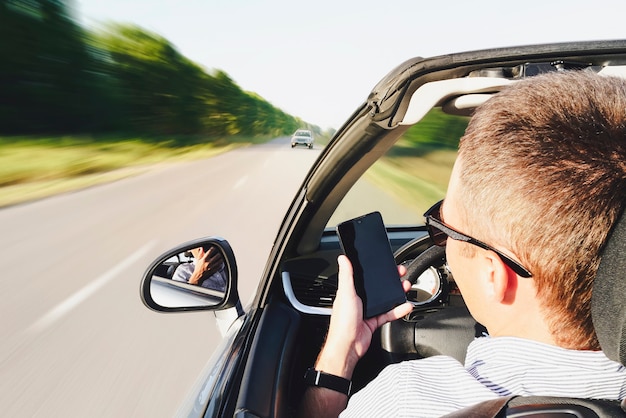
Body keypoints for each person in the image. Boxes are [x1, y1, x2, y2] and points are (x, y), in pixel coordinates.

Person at [299, 70, 626, 418]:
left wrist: (341, 352)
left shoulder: (403, 400)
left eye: (442, 228)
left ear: (494, 276)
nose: (442, 244)